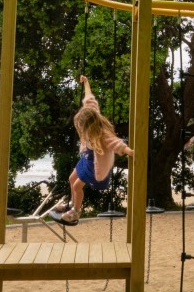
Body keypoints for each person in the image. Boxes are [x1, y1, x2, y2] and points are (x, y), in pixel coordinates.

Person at [51, 75, 133, 225]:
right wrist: (86, 82)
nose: (80, 129)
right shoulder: (91, 113)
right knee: (71, 179)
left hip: (95, 169)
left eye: (81, 127)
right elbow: (90, 99)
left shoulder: (102, 134)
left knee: (76, 186)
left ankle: (76, 213)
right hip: (86, 159)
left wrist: (130, 152)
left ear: (89, 126)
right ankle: (72, 205)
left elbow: (117, 144)